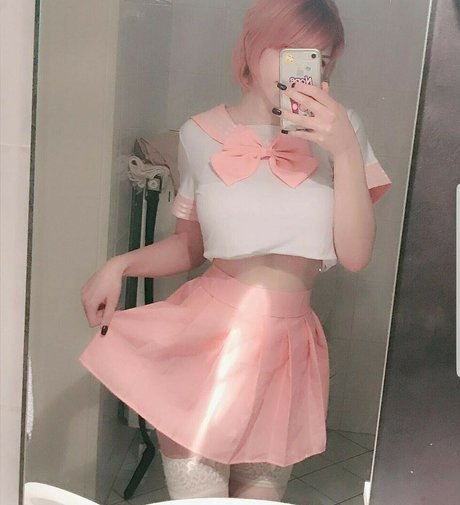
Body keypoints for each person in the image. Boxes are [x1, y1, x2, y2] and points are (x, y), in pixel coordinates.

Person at [79, 0, 392, 501]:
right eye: (290, 51)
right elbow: (189, 247)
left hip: (285, 354)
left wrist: (344, 149)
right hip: (206, 342)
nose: (303, 70)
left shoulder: (343, 131)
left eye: (320, 58)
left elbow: (355, 256)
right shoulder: (198, 134)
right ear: (251, 47)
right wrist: (120, 265)